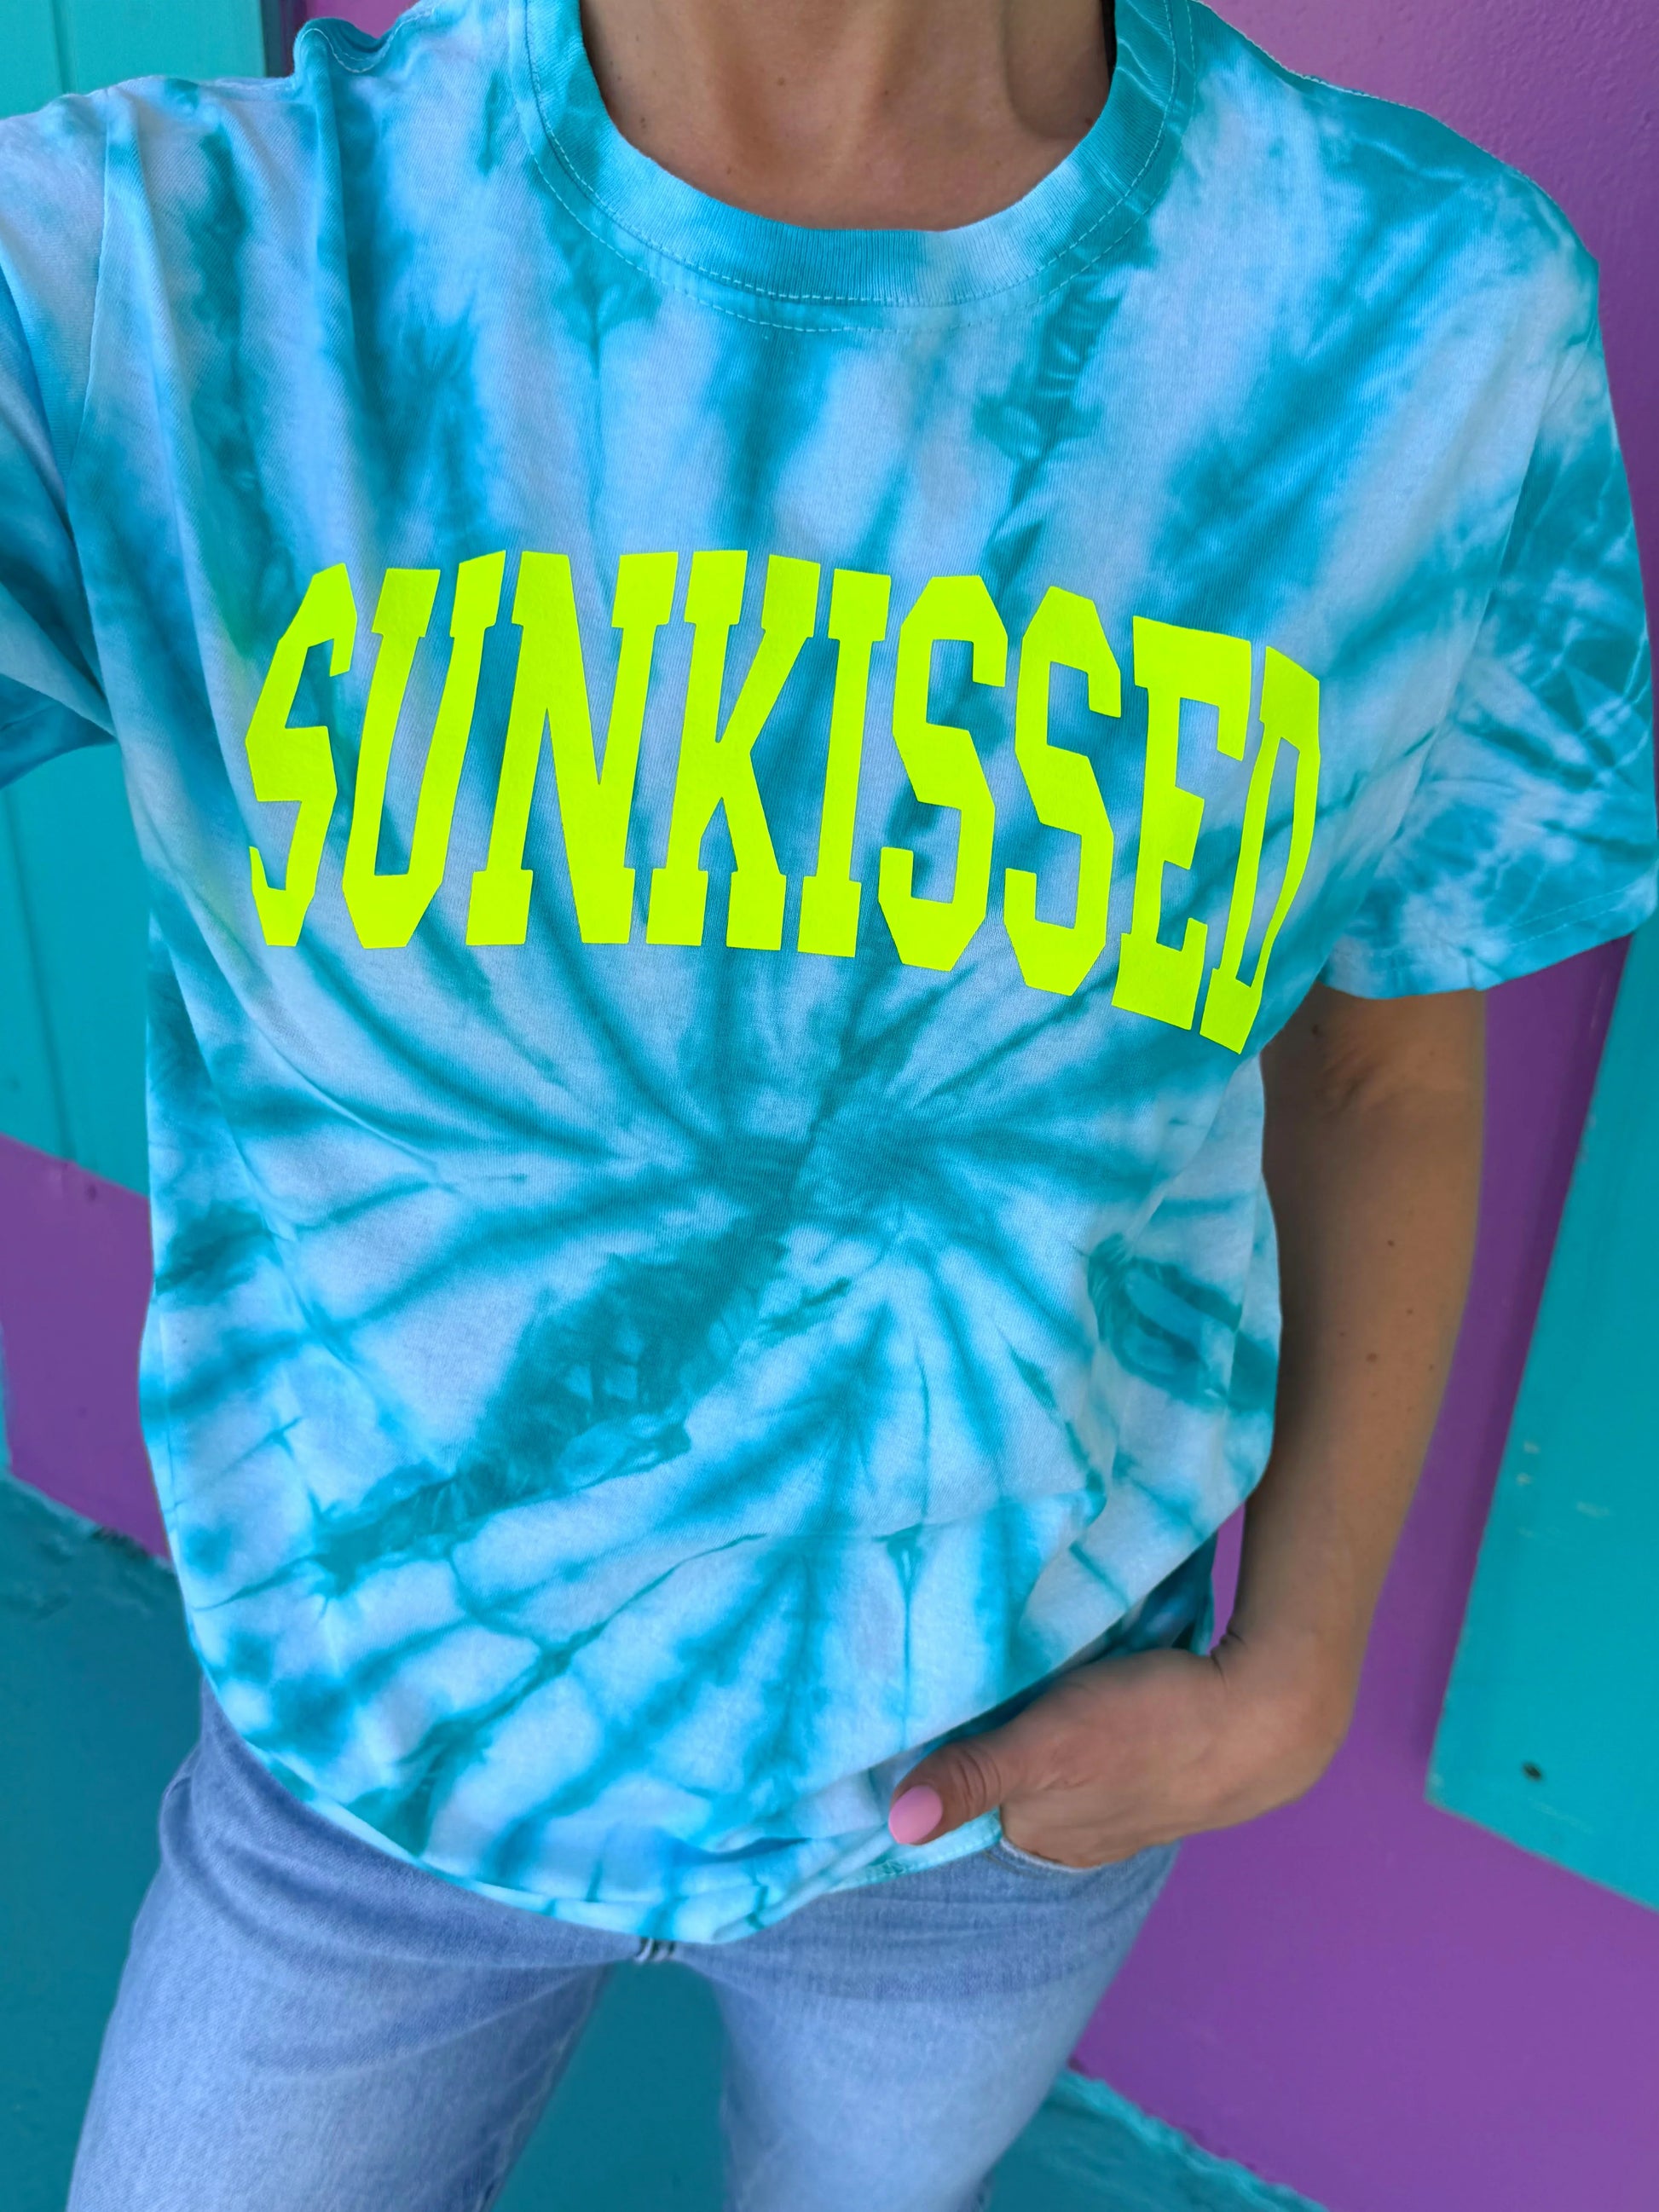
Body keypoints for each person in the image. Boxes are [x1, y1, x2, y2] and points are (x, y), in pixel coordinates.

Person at [1, 0, 1651, 2205]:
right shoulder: (164, 265)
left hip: (996, 1791)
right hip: (361, 1765)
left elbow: (1378, 1054)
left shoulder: (1427, 323)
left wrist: (1297, 1665)